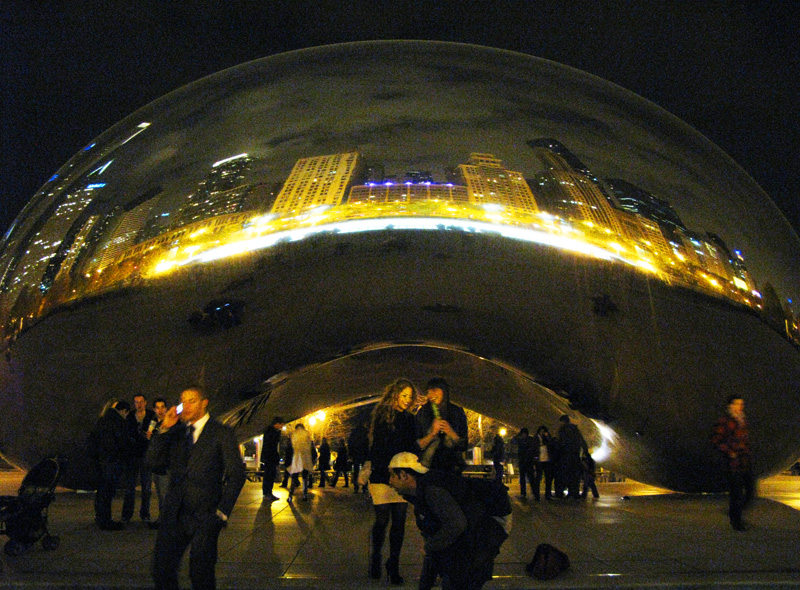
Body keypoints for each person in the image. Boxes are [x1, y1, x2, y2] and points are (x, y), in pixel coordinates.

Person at [145, 387, 246, 590]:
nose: (187, 406)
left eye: (192, 401)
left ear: (204, 402)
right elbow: (153, 463)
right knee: (162, 569)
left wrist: (222, 512)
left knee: (200, 573)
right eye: (184, 401)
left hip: (205, 514)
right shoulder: (176, 432)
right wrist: (164, 429)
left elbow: (236, 474)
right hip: (174, 513)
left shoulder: (221, 432)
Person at [388, 452, 510, 590]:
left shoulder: (432, 490)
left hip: (486, 528)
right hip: (472, 534)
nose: (390, 481)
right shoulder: (421, 490)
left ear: (404, 475)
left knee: (460, 579)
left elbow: (457, 525)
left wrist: (430, 546)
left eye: (392, 475)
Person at [364, 378, 419, 584]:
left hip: (402, 475)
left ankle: (393, 564)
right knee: (382, 520)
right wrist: (386, 469)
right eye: (404, 395)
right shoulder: (382, 416)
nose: (407, 400)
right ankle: (376, 556)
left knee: (399, 522)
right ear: (395, 394)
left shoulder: (410, 419)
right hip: (382, 473)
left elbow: (412, 447)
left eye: (410, 396)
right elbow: (378, 446)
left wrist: (409, 471)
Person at [711, 395, 755, 531]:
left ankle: (734, 513)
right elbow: (716, 440)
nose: (740, 407)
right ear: (730, 406)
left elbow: (744, 439)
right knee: (736, 494)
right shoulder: (725, 421)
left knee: (750, 491)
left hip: (745, 461)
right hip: (733, 463)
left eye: (741, 404)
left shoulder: (742, 420)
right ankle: (737, 522)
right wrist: (730, 452)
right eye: (737, 404)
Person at [91, 400, 131, 530]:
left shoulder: (102, 420)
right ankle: (106, 521)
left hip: (101, 461)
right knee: (108, 492)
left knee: (101, 491)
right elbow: (123, 443)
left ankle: (100, 517)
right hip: (113, 461)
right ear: (124, 411)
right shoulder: (118, 422)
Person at [416, 377, 468, 472]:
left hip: (452, 469)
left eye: (435, 390)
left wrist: (450, 432)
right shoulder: (423, 413)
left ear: (444, 391)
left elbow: (464, 445)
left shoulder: (457, 412)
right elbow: (416, 445)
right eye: (428, 392)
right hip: (427, 469)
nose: (431, 395)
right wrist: (432, 434)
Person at [122, 393, 158, 523]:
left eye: (141, 401)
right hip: (133, 455)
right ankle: (127, 514)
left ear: (145, 402)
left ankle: (145, 514)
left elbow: (155, 431)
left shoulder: (150, 415)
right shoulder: (130, 416)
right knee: (130, 487)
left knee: (146, 487)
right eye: (136, 402)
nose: (139, 404)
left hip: (146, 455)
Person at [555, 415, 588, 499]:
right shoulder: (575, 430)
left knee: (567, 475)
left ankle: (570, 493)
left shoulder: (563, 430)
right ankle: (575, 493)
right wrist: (585, 451)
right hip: (575, 456)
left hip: (566, 456)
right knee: (575, 476)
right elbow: (582, 441)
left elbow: (561, 443)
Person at [150, 397, 170, 529]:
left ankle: (165, 521)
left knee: (165, 494)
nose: (160, 410)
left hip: (165, 466)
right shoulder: (154, 425)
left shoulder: (169, 424)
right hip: (156, 465)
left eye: (162, 407)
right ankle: (162, 518)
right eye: (157, 407)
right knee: (160, 494)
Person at [287, 424, 314, 503]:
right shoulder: (307, 434)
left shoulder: (294, 434)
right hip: (305, 458)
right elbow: (311, 446)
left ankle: (290, 496)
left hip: (296, 458)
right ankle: (305, 494)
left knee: (294, 477)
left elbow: (290, 448)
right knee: (305, 477)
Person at [261, 416, 285, 501]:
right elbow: (272, 444)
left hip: (270, 456)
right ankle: (267, 493)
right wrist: (278, 434)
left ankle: (268, 492)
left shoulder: (270, 431)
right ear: (277, 424)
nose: (281, 427)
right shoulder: (271, 432)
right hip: (270, 457)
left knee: (270, 474)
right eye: (281, 425)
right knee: (269, 475)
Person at [348, 420, 369, 493]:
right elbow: (368, 443)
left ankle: (356, 487)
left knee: (356, 471)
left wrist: (350, 454)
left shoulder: (353, 432)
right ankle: (364, 486)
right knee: (364, 470)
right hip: (364, 454)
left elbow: (350, 443)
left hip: (356, 454)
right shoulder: (366, 432)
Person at [533, 425, 554, 501]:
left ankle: (547, 495)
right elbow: (534, 448)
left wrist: (547, 437)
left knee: (548, 478)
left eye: (544, 431)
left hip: (546, 459)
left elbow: (551, 444)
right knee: (538, 478)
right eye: (541, 431)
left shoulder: (547, 438)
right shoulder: (536, 438)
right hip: (539, 460)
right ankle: (537, 495)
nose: (542, 433)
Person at [515, 428, 536, 499]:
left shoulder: (528, 440)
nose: (523, 435)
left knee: (531, 478)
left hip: (528, 461)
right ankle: (524, 493)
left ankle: (533, 492)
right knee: (524, 478)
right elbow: (513, 440)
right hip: (523, 461)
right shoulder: (523, 440)